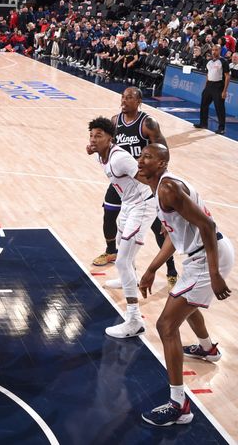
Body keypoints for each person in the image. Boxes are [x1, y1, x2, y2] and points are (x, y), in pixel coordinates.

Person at [137, 144, 233, 426]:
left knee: (166, 326)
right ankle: (207, 349)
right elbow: (174, 235)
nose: (141, 160)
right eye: (141, 155)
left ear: (163, 163)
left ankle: (180, 405)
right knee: (184, 304)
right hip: (198, 256)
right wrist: (151, 269)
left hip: (208, 255)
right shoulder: (160, 189)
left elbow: (206, 225)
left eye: (148, 157)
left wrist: (215, 274)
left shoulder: (168, 189)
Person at [91, 87, 177, 288]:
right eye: (122, 97)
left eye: (129, 97)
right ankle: (112, 251)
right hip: (122, 179)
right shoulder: (115, 121)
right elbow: (106, 144)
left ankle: (171, 268)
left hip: (142, 179)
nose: (124, 100)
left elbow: (163, 151)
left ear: (139, 101)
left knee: (158, 227)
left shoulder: (147, 123)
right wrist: (93, 147)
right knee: (110, 215)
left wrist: (160, 178)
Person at [87, 116, 154, 338]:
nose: (93, 139)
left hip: (142, 206)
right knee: (119, 244)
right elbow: (94, 148)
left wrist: (164, 208)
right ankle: (129, 278)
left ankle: (134, 320)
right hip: (128, 204)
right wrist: (92, 148)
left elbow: (149, 179)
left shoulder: (120, 159)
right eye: (91, 135)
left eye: (99, 136)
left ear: (111, 139)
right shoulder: (102, 154)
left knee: (123, 259)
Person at [193, 45, 230, 135]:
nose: (214, 52)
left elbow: (227, 76)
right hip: (209, 85)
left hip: (218, 86)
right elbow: (208, 75)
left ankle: (221, 128)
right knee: (204, 105)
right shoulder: (209, 62)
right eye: (213, 50)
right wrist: (206, 86)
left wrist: (224, 91)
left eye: (216, 50)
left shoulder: (223, 61)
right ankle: (203, 123)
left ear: (220, 50)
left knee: (219, 108)